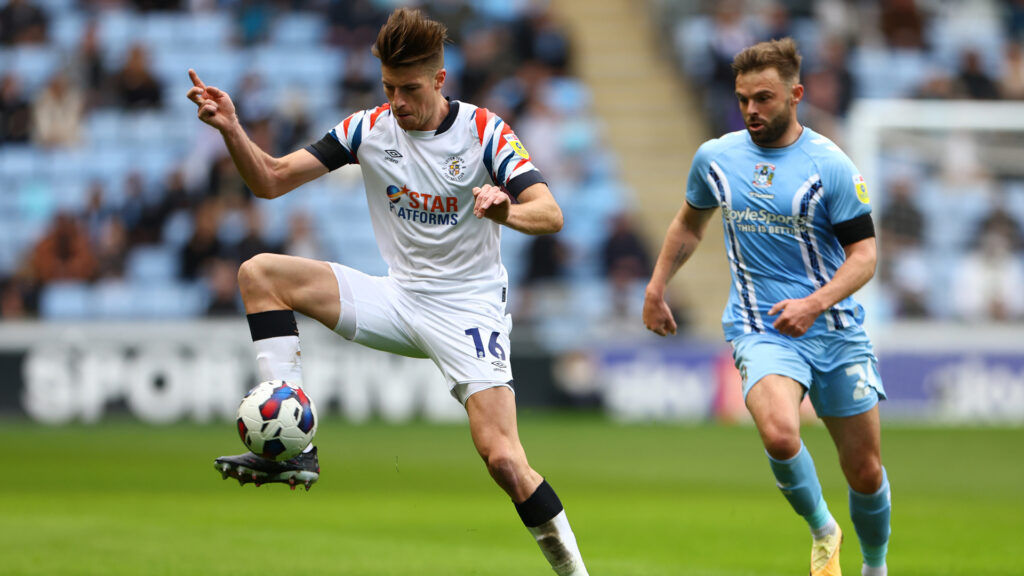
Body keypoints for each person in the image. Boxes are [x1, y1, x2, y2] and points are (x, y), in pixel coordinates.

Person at [186, 8, 588, 576]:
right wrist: (232, 129)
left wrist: (508, 208)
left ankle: (576, 573)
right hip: (398, 298)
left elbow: (550, 213)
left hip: (469, 307)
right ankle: (292, 444)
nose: (397, 102)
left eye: (410, 89)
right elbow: (271, 180)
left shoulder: (483, 131)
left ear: (440, 81)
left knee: (502, 458)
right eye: (388, 88)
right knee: (259, 273)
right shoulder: (367, 129)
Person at [642, 38, 891, 576]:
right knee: (780, 432)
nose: (752, 110)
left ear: (796, 95)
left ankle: (875, 566)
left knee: (865, 471)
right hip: (762, 328)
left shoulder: (832, 166)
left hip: (835, 329)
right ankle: (824, 530)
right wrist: (657, 287)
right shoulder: (717, 158)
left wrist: (815, 303)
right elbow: (690, 222)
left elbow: (865, 256)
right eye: (743, 99)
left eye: (764, 98)